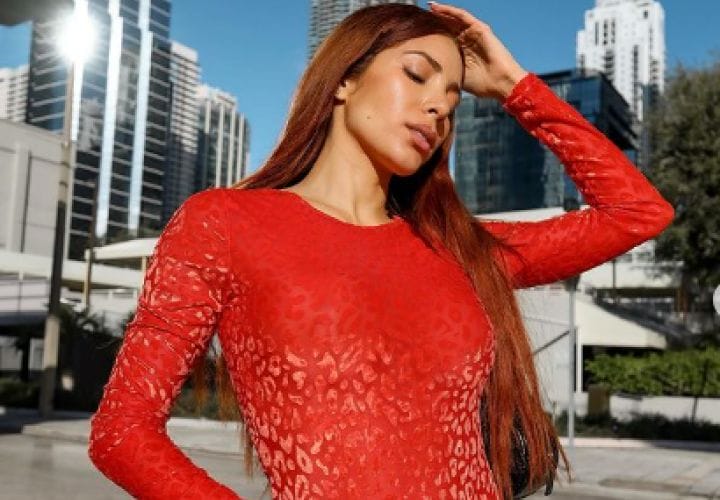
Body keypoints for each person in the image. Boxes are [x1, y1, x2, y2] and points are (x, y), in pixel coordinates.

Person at [87, 3, 675, 499]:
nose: (438, 107)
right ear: (345, 79)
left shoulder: (459, 250)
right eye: (417, 75)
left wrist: (513, 86)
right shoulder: (223, 224)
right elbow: (122, 431)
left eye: (452, 100)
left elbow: (638, 212)